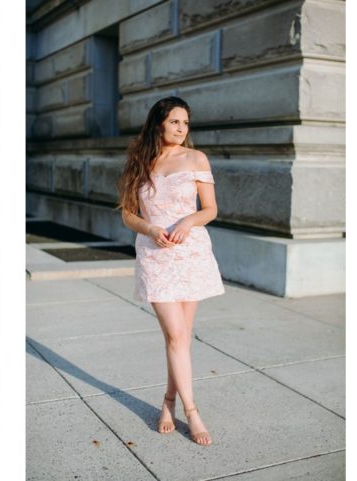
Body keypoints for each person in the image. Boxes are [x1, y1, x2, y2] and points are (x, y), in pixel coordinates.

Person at [118, 96, 225, 446]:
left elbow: (210, 209)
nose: (181, 129)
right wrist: (150, 230)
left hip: (191, 253)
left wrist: (187, 220)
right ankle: (192, 412)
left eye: (185, 123)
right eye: (175, 122)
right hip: (154, 255)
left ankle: (168, 403)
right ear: (159, 123)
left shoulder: (196, 158)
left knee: (178, 339)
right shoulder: (140, 161)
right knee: (176, 337)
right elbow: (128, 214)